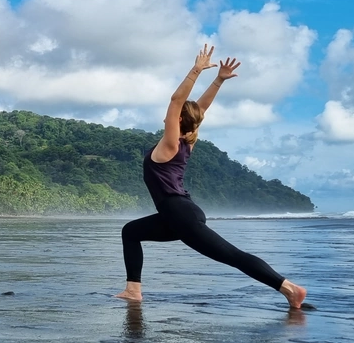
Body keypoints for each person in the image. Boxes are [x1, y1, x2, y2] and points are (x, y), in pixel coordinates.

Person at [113, 44, 307, 309]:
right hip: (178, 213)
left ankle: (289, 288)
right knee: (131, 232)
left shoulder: (171, 145)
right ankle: (133, 290)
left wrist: (196, 71)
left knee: (232, 256)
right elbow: (198, 111)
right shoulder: (185, 143)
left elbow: (176, 102)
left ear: (179, 120)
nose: (168, 115)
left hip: (181, 215)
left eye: (175, 115)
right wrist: (218, 80)